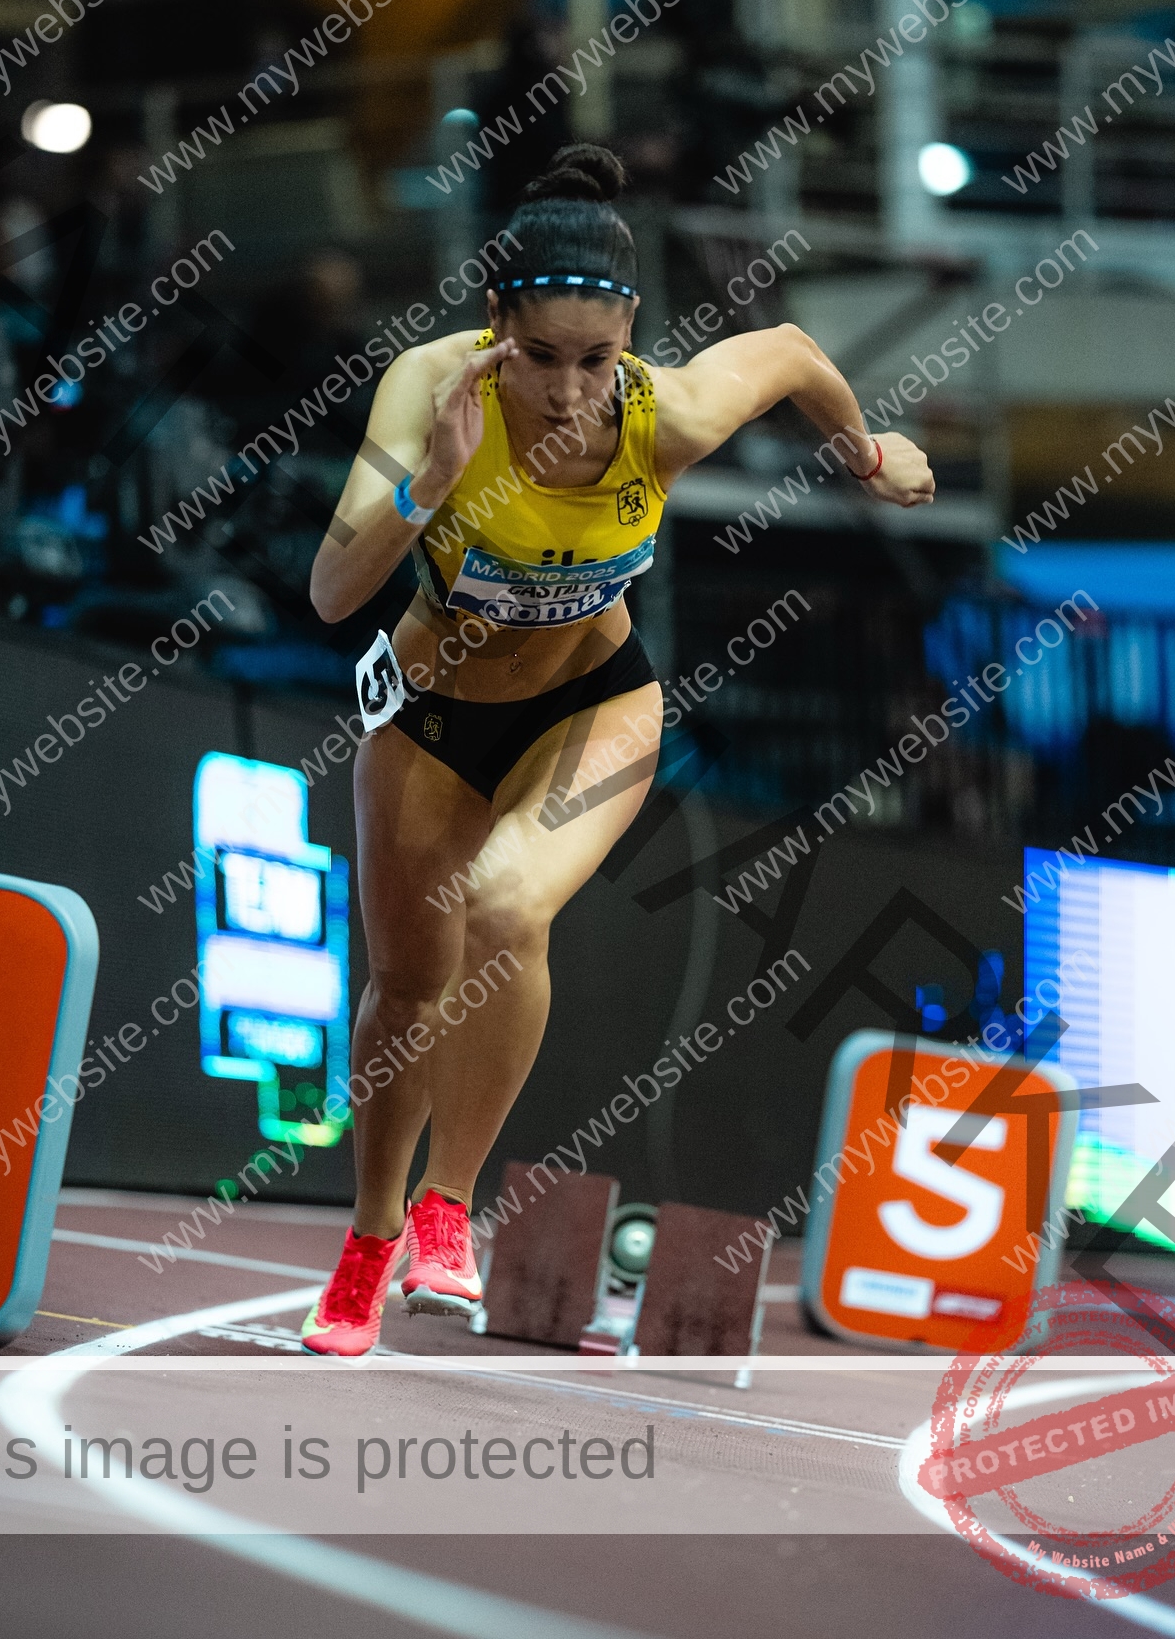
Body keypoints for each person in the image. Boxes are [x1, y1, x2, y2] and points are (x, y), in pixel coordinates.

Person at [301, 143, 934, 1355]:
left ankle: (446, 1208)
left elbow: (794, 351)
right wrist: (433, 483)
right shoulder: (428, 387)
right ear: (495, 323)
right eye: (539, 358)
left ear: (631, 335)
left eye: (594, 360)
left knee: (506, 906)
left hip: (592, 702)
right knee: (407, 988)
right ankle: (371, 1237)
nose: (566, 391)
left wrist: (867, 453)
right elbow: (333, 592)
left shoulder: (667, 411)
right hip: (431, 718)